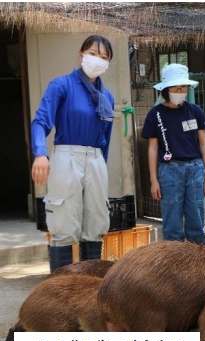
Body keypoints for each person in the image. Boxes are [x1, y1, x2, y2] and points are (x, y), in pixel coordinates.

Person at [31, 35, 115, 273]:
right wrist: (40, 153)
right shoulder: (61, 85)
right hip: (67, 156)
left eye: (104, 57)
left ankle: (89, 287)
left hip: (97, 159)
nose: (97, 60)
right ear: (80, 55)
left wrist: (101, 167)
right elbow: (40, 121)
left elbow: (105, 138)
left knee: (96, 223)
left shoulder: (107, 97)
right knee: (64, 224)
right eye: (92, 53)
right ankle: (59, 289)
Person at [142, 64, 205, 244]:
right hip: (169, 171)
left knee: (197, 220)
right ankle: (173, 265)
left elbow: (204, 144)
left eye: (183, 86)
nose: (179, 90)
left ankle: (201, 264)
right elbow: (152, 148)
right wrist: (153, 180)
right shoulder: (155, 114)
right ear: (166, 88)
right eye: (175, 86)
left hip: (196, 169)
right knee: (172, 224)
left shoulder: (195, 111)